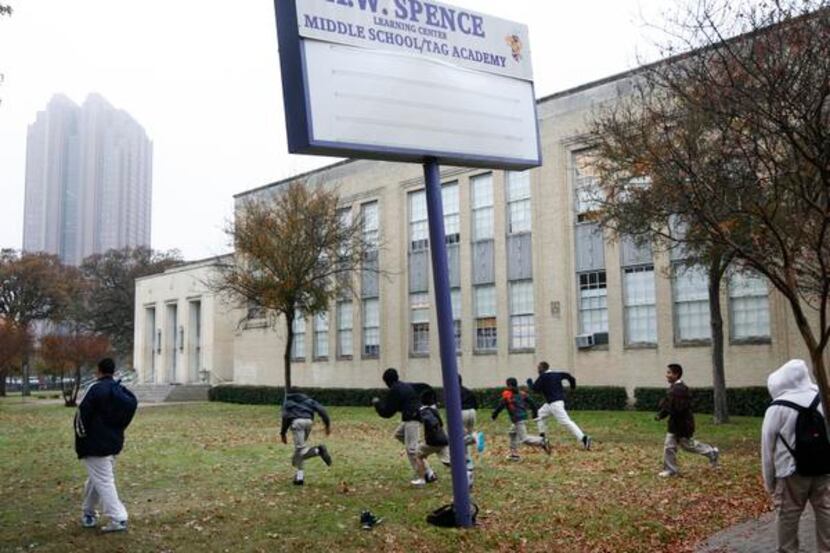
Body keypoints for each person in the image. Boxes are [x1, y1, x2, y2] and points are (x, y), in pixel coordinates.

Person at [762, 359, 830, 553]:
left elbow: (767, 448)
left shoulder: (777, 407)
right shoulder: (823, 399)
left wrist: (770, 482)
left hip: (790, 473)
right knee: (826, 512)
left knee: (788, 519)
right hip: (823, 469)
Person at [74, 358, 135, 533]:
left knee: (103, 480)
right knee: (97, 479)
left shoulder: (95, 389)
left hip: (94, 444)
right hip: (113, 443)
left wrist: (82, 438)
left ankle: (118, 518)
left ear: (98, 371)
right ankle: (88, 513)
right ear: (113, 371)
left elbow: (81, 415)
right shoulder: (120, 391)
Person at [656, 363, 719, 477]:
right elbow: (670, 406)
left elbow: (676, 408)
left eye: (669, 373)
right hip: (677, 424)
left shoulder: (679, 390)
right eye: (667, 372)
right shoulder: (675, 388)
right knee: (672, 446)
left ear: (676, 374)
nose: (667, 375)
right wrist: (661, 415)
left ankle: (711, 452)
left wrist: (663, 408)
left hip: (682, 425)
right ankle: (671, 470)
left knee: (686, 446)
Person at [372, 368, 426, 483]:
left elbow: (387, 413)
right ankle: (426, 469)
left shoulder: (395, 390)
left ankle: (424, 475)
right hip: (412, 416)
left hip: (412, 418)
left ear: (387, 381)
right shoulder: (403, 385)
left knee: (412, 449)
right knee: (399, 434)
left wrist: (377, 404)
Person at [527, 361, 592, 450]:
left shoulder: (543, 376)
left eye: (538, 368)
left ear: (542, 368)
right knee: (539, 415)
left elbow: (535, 390)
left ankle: (584, 438)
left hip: (554, 404)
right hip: (554, 403)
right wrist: (573, 388)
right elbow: (570, 377)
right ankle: (542, 438)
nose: (537, 370)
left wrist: (529, 383)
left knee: (566, 422)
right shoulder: (558, 374)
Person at [279, 390, 332, 486]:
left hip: (297, 423)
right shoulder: (308, 400)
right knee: (299, 451)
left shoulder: (288, 402)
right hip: (308, 422)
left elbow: (285, 417)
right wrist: (327, 425)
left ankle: (318, 450)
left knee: (300, 450)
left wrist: (283, 433)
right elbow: (322, 410)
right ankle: (299, 478)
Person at [492, 377, 551, 460]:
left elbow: (500, 406)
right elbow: (532, 402)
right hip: (521, 417)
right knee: (512, 433)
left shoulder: (507, 395)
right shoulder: (521, 393)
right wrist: (535, 413)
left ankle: (542, 441)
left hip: (518, 419)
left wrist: (494, 415)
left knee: (524, 439)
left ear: (509, 385)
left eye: (507, 385)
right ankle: (514, 455)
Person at [412, 389, 449, 487]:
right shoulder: (434, 410)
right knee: (448, 463)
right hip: (443, 440)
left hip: (433, 441)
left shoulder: (425, 411)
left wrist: (432, 426)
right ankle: (465, 473)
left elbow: (430, 421)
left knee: (418, 455)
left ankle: (421, 479)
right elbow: (441, 423)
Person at [459, 375, 485, 474]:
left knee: (460, 439)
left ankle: (475, 437)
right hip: (472, 412)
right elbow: (476, 404)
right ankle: (469, 464)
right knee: (466, 439)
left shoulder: (453, 391)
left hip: (461, 413)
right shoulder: (467, 390)